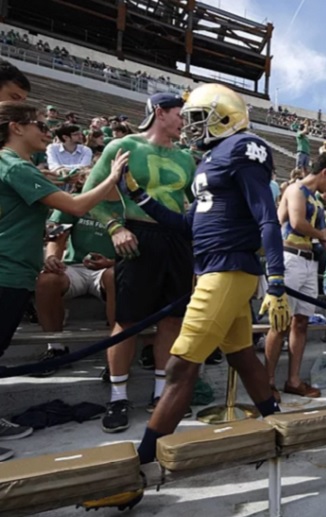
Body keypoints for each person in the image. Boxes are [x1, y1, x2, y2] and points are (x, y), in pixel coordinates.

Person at [82, 83, 290, 511]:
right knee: (240, 355)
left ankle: (141, 466)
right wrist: (137, 195)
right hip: (213, 266)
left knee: (180, 366)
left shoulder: (243, 148)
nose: (191, 126)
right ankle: (278, 424)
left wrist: (277, 279)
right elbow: (185, 224)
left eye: (198, 117)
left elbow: (267, 218)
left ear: (224, 116)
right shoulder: (211, 158)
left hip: (229, 270)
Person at [0, 101, 124, 461]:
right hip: (6, 271)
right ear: (16, 127)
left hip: (14, 271)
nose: (47, 132)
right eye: (39, 125)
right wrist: (111, 178)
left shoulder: (18, 166)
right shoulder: (14, 165)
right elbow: (75, 208)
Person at [82, 92, 197, 433]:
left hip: (177, 240)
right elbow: (91, 195)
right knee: (127, 321)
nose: (184, 122)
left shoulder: (186, 158)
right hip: (138, 236)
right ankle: (118, 397)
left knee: (172, 320)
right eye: (180, 114)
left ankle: (162, 394)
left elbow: (196, 204)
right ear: (160, 112)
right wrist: (115, 227)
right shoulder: (123, 146)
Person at [265, 153, 326, 400]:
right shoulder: (296, 190)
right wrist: (323, 236)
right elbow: (297, 223)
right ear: (324, 173)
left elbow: (325, 234)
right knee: (280, 323)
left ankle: (293, 380)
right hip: (289, 258)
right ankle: (267, 382)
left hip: (308, 262)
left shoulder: (315, 200)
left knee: (301, 322)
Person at [34, 206, 116, 377]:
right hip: (74, 266)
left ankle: (117, 353)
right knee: (46, 280)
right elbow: (56, 235)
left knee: (115, 277)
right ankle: (56, 348)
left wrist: (112, 262)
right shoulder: (76, 201)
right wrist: (52, 258)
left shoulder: (128, 203)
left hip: (110, 267)